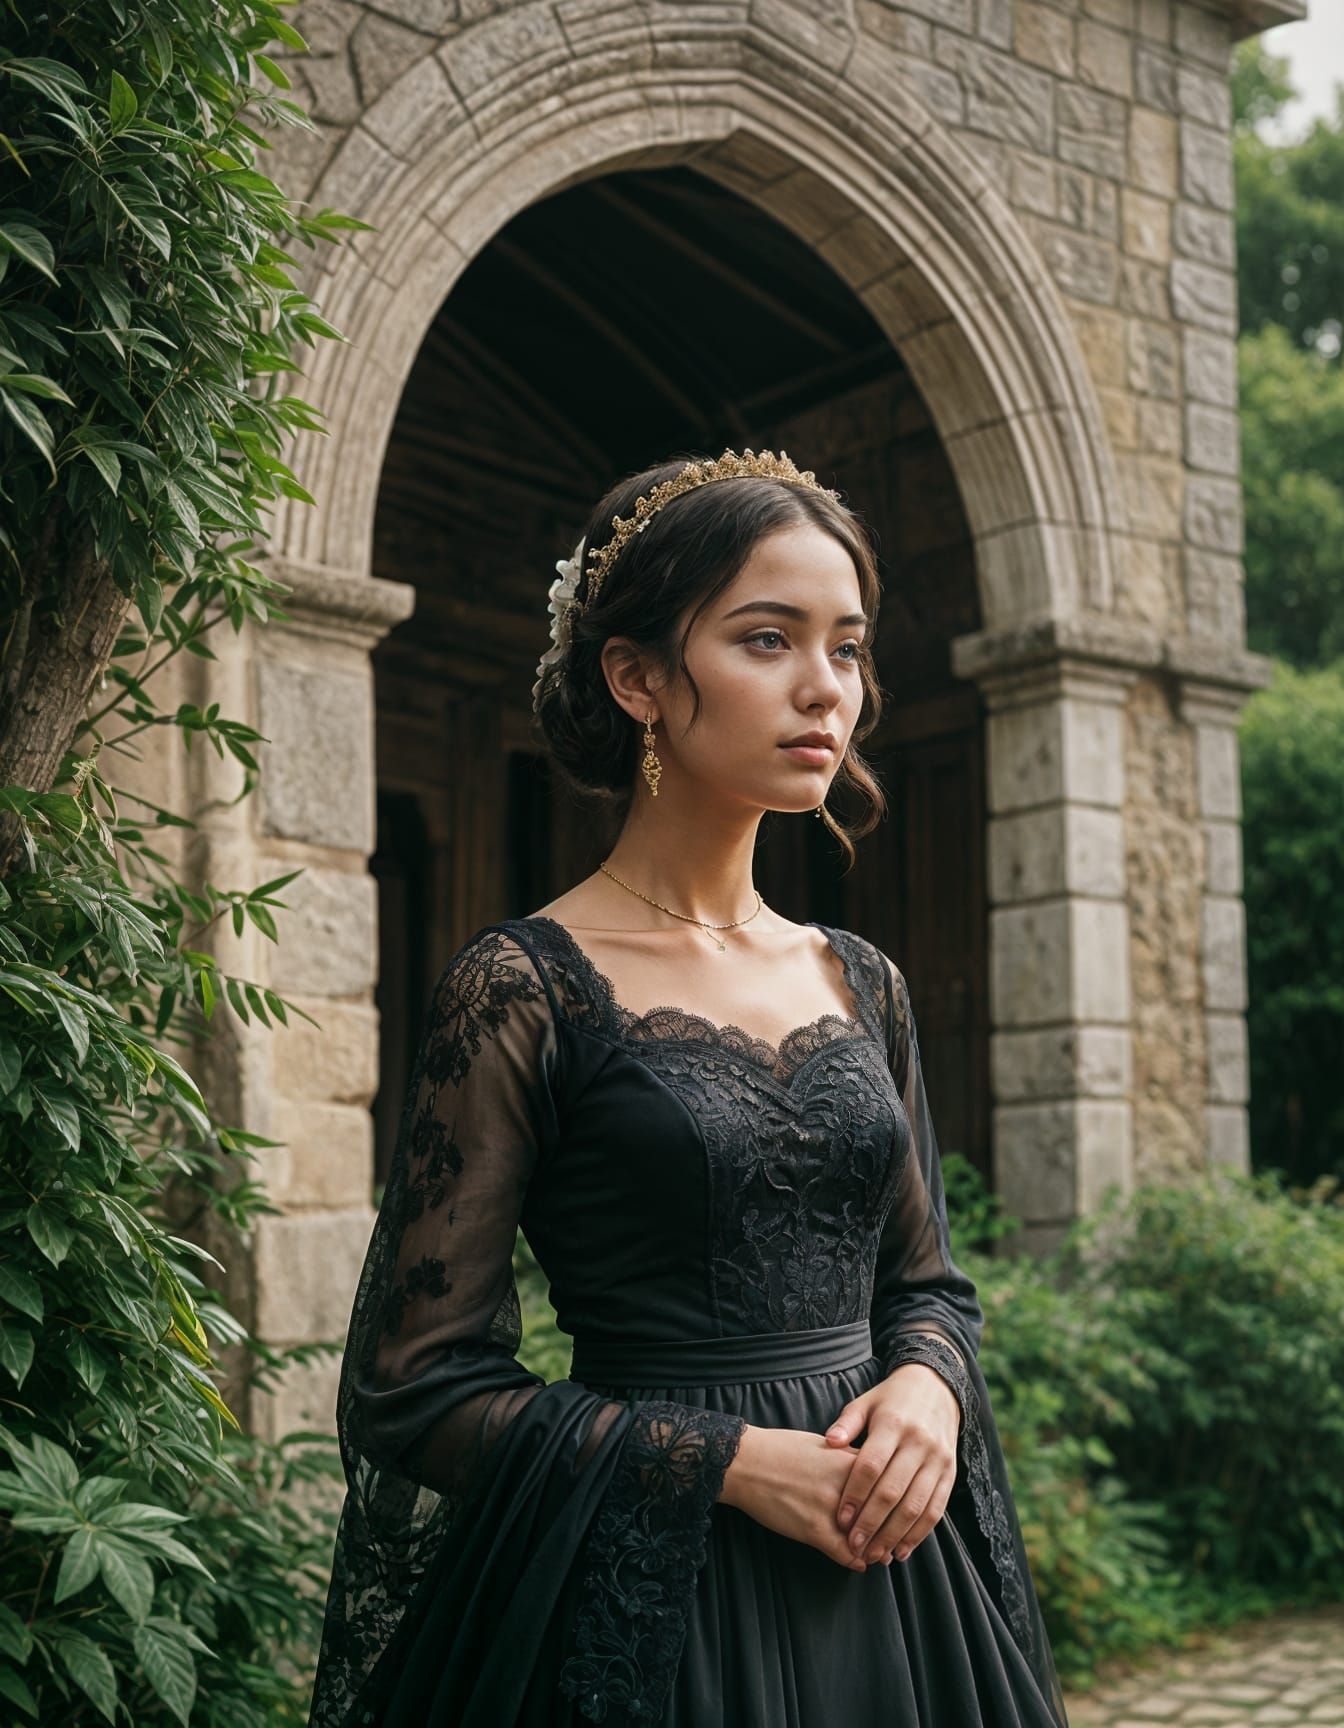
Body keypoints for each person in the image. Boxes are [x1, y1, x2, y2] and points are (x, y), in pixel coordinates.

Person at [308, 448, 1071, 1728]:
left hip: (894, 1581)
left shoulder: (860, 981)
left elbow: (926, 1285)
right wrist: (722, 1462)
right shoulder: (522, 989)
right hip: (651, 1599)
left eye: (849, 647)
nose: (824, 689)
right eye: (768, 640)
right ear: (640, 678)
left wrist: (931, 1386)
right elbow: (415, 1391)